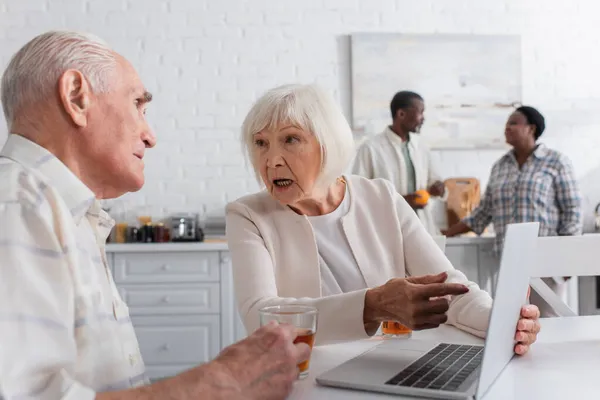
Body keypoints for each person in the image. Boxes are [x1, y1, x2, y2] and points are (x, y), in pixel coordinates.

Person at [0, 31, 308, 400]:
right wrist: (221, 384)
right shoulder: (17, 204)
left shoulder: (63, 213)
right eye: (137, 105)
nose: (150, 137)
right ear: (76, 97)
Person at [226, 83, 540, 354]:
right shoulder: (249, 215)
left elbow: (449, 289)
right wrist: (373, 304)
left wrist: (502, 322)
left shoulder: (380, 197)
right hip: (303, 374)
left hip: (393, 365)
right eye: (260, 143)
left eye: (290, 139)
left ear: (328, 143)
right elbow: (260, 316)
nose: (272, 160)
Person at [443, 106, 583, 317]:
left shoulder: (556, 162)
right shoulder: (500, 166)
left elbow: (572, 210)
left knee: (549, 324)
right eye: (507, 123)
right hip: (509, 262)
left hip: (545, 261)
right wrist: (446, 233)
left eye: (514, 122)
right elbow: (483, 212)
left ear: (531, 128)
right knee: (513, 326)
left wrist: (565, 260)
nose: (507, 128)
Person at [352, 91, 445, 235]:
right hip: (387, 230)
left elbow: (434, 180)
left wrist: (439, 188)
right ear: (401, 114)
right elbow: (358, 195)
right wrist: (401, 201)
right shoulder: (371, 148)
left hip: (422, 228)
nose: (423, 119)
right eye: (420, 112)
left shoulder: (421, 147)